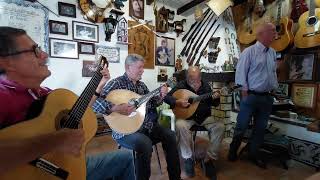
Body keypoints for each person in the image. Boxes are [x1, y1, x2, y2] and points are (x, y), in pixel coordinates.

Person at [0, 27, 134, 180]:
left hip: (63, 167)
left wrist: (99, 85)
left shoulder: (44, 93)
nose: (44, 55)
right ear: (7, 62)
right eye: (35, 50)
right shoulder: (2, 96)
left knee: (126, 159)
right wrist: (56, 140)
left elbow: (78, 112)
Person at [92, 54, 181, 180]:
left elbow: (151, 103)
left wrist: (161, 95)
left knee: (170, 135)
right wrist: (115, 108)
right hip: (124, 131)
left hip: (145, 126)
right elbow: (95, 103)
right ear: (128, 67)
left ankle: (175, 177)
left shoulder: (142, 86)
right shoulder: (116, 83)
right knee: (145, 144)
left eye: (143, 67)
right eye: (139, 67)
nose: (142, 70)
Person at [228, 23, 278, 169]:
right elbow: (240, 73)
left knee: (260, 129)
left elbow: (273, 73)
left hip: (267, 97)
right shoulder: (249, 52)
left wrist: (274, 89)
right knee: (241, 127)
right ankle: (232, 151)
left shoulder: (273, 52)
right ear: (262, 34)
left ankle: (253, 154)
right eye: (272, 30)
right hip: (250, 96)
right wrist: (245, 93)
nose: (275, 33)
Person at [164, 66, 224, 179]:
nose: (194, 82)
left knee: (220, 126)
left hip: (204, 117)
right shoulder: (181, 85)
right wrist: (177, 102)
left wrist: (216, 98)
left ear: (200, 77)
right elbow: (167, 97)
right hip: (187, 118)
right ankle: (188, 158)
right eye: (191, 79)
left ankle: (208, 159)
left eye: (196, 79)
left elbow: (214, 104)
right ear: (187, 78)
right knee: (179, 125)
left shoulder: (206, 86)